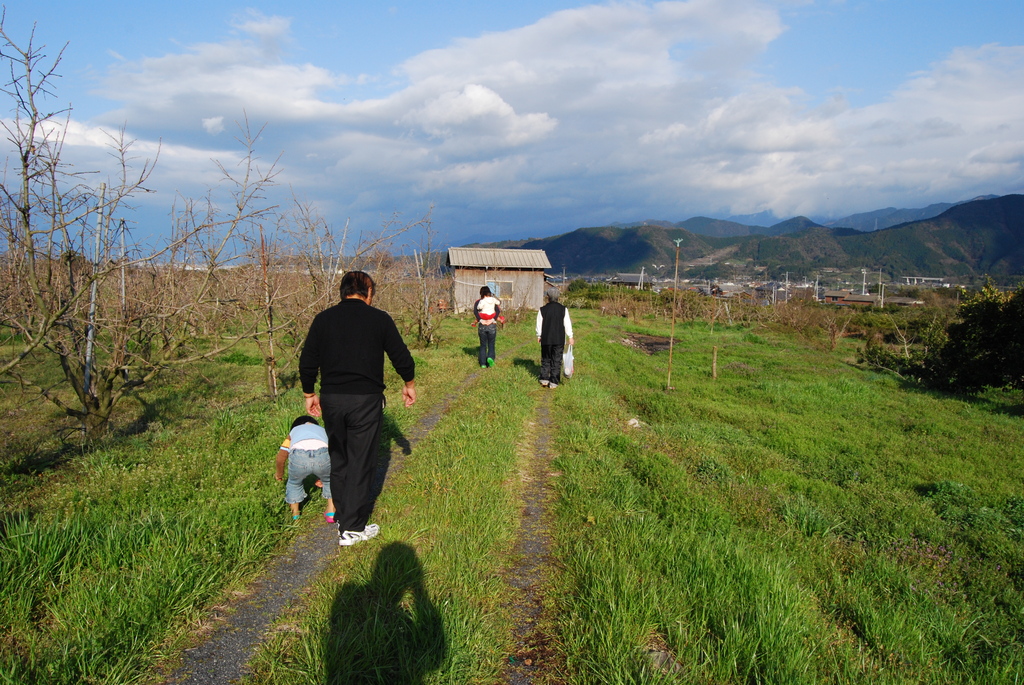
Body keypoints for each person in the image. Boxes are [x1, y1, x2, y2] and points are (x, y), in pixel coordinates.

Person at [299, 270, 417, 547]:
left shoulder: (323, 319)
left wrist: (309, 393)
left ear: (341, 292)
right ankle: (352, 528)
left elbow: (307, 361)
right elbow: (401, 356)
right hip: (365, 400)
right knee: (361, 461)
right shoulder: (379, 319)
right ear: (369, 293)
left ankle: (343, 517)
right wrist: (408, 383)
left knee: (340, 458)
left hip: (332, 399)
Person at [275, 415, 336, 522]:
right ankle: (331, 512)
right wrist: (322, 477)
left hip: (299, 456)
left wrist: (279, 474)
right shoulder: (323, 430)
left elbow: (281, 458)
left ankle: (295, 515)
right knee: (329, 480)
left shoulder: (293, 432)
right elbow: (332, 453)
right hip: (323, 453)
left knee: (294, 483)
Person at [536, 287, 574, 388]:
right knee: (556, 360)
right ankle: (554, 381)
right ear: (558, 297)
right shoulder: (563, 309)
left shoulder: (542, 310)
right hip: (559, 339)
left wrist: (539, 335)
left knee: (546, 358)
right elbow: (567, 324)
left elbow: (539, 324)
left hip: (546, 338)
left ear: (547, 297)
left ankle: (544, 378)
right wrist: (570, 336)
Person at [473, 286, 502, 368]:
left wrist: (481, 320)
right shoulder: (493, 301)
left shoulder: (478, 302)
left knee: (483, 345)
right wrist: (492, 319)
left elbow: (475, 311)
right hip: (491, 325)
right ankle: (490, 358)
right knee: (491, 344)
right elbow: (498, 310)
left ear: (481, 293)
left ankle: (482, 364)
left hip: (482, 325)